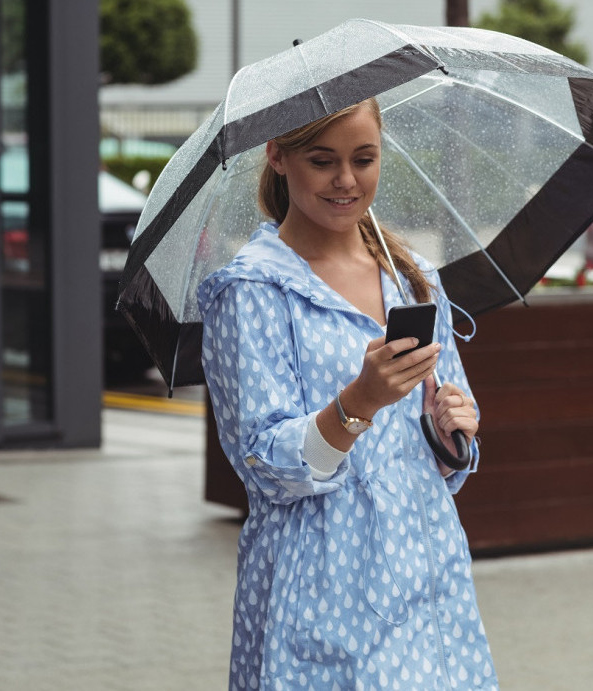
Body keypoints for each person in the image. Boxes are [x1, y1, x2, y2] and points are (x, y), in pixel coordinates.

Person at [197, 97, 499, 689]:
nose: (346, 180)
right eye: (322, 160)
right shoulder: (253, 290)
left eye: (364, 159)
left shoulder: (413, 277)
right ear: (277, 157)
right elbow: (264, 468)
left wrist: (453, 430)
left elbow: (449, 457)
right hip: (319, 583)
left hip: (426, 572)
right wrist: (358, 402)